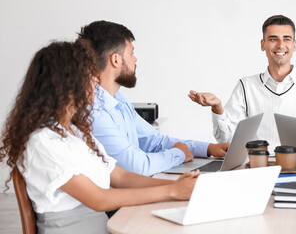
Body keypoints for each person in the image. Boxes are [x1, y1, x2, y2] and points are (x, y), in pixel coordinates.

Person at [0, 41, 200, 234]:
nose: (96, 81)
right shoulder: (42, 142)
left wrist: (178, 185)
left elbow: (120, 177)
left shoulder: (76, 132)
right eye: (89, 76)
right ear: (66, 84)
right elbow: (99, 199)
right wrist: (172, 192)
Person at [78, 21, 229, 176]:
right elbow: (136, 166)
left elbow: (155, 141)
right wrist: (179, 154)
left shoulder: (119, 100)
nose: (135, 59)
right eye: (131, 53)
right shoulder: (92, 110)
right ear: (116, 60)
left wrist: (208, 148)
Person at [188, 15, 296, 149]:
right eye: (273, 39)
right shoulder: (246, 86)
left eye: (286, 39)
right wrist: (217, 108)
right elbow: (227, 141)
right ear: (263, 45)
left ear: (294, 45)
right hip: (255, 168)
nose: (280, 45)